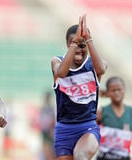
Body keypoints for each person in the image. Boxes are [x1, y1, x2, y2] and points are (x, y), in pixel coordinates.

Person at [51, 14, 107, 160]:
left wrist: (88, 38)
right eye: (74, 45)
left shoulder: (94, 65)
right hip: (64, 129)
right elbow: (61, 73)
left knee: (81, 155)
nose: (78, 49)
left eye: (83, 46)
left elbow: (101, 69)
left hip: (87, 127)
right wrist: (75, 42)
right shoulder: (57, 62)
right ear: (67, 45)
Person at [39, 91, 56, 160]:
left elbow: (53, 118)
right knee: (45, 146)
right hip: (45, 129)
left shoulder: (51, 108)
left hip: (50, 129)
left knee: (50, 147)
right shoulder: (43, 108)